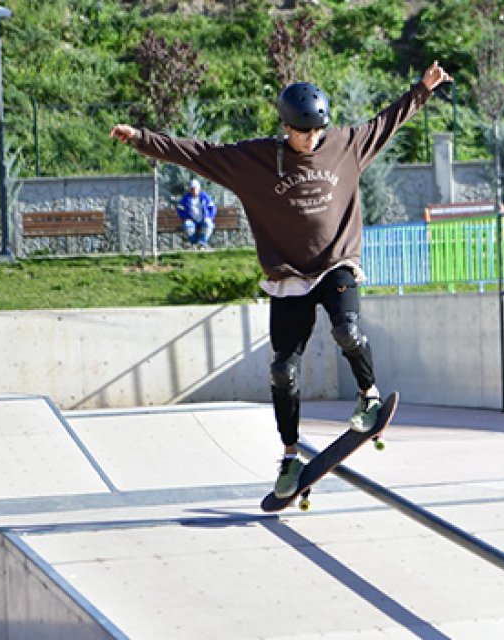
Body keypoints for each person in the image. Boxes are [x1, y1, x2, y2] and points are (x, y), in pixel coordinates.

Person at [110, 61, 452, 499]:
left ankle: (368, 395)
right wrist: (141, 138)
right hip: (288, 277)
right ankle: (290, 456)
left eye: (317, 132)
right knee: (282, 371)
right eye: (303, 133)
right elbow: (196, 153)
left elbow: (387, 121)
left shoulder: (346, 144)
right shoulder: (253, 161)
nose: (312, 141)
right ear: (286, 127)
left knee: (347, 330)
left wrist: (421, 89)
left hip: (336, 265)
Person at [177, 178, 217, 249]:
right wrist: (185, 217)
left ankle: (202, 243)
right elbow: (180, 208)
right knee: (187, 224)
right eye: (192, 189)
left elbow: (212, 207)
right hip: (191, 219)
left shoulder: (204, 196)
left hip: (203, 219)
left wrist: (210, 217)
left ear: (199, 189)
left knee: (209, 224)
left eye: (195, 188)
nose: (194, 190)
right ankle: (194, 243)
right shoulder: (186, 197)